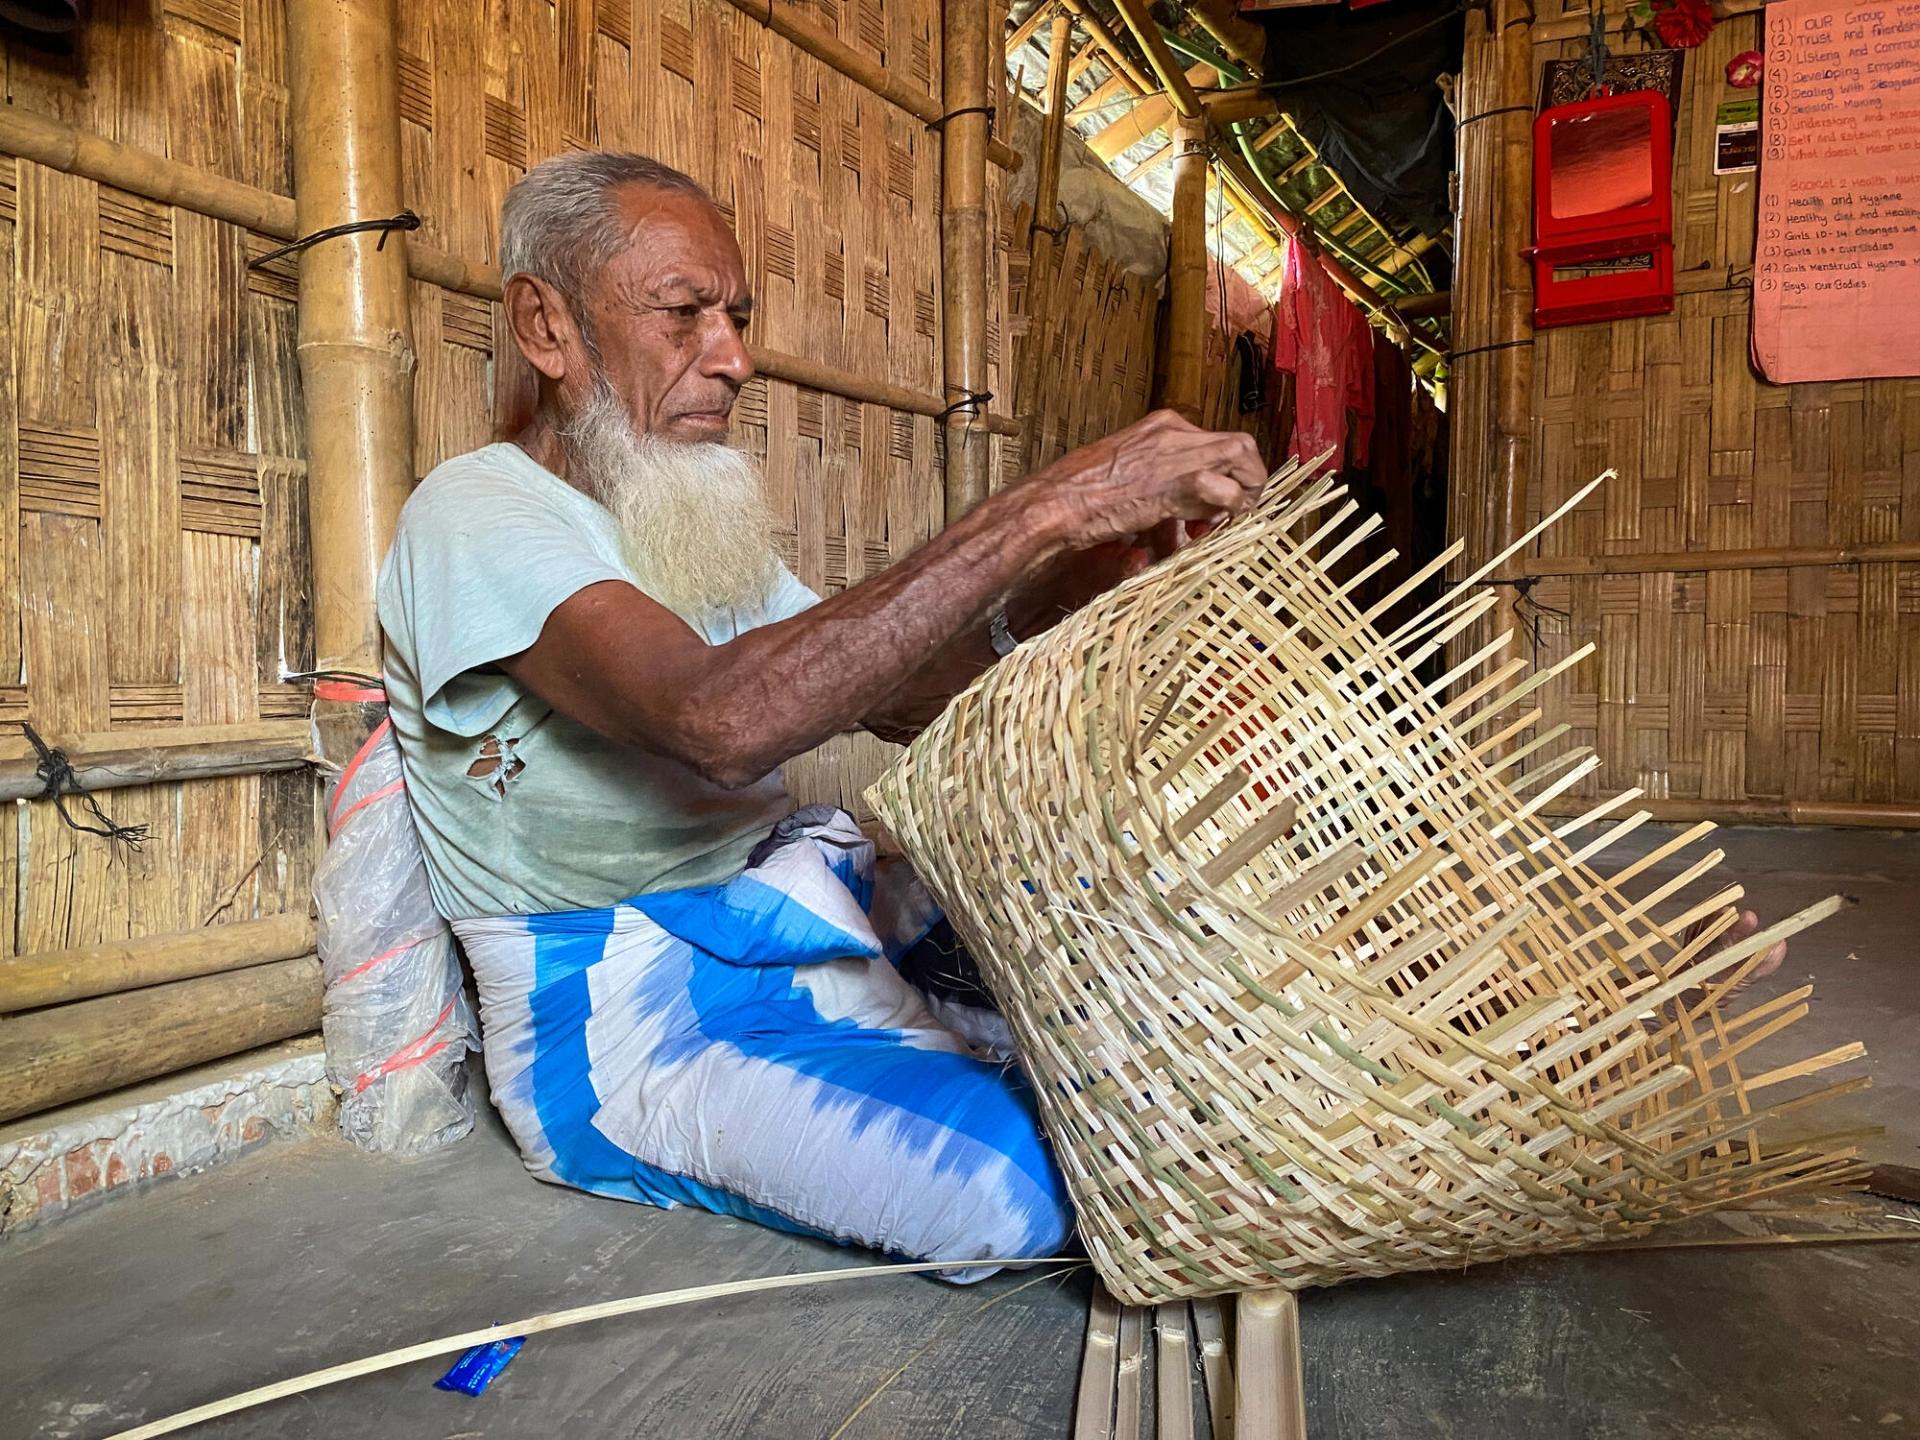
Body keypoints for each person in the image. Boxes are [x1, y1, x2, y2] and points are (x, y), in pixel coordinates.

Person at [376, 150, 1269, 1274]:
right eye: (686, 314)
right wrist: (1052, 506)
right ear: (547, 329)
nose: (735, 358)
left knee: (1168, 1026)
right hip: (632, 1018)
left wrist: (1078, 580)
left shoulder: (678, 512)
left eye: (737, 317)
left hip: (799, 920)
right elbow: (722, 720)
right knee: (1046, 1179)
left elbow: (894, 699)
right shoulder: (477, 511)